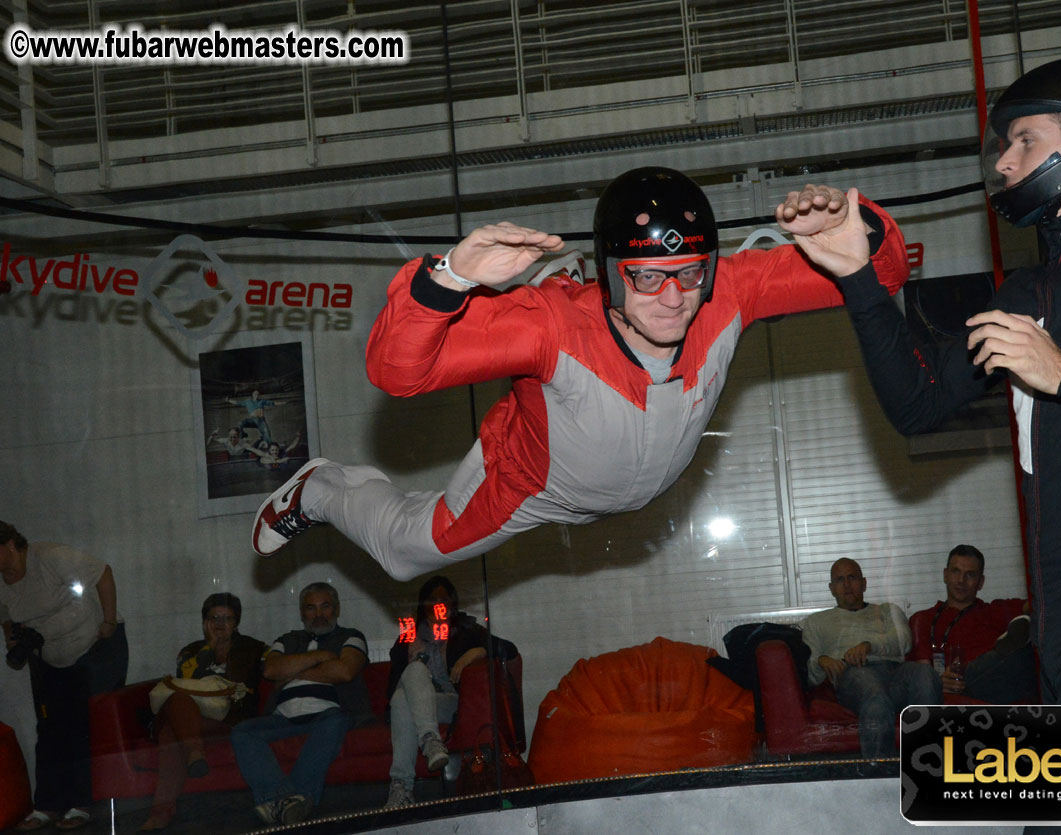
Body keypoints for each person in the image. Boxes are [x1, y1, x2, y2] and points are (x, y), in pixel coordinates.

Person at [778, 57, 1061, 711]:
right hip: (1057, 629)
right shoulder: (1020, 292)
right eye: (1003, 145)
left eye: (1024, 140)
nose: (1005, 163)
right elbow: (917, 403)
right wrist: (856, 277)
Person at [250, 166, 909, 582]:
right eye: (646, 277)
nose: (673, 297)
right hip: (530, 481)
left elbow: (881, 274)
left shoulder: (728, 291)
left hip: (625, 489)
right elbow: (396, 371)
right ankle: (321, 489)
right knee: (401, 555)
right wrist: (450, 276)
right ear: (610, 274)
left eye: (688, 274)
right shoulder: (551, 325)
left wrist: (855, 231)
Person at [0, 517, 128, 831]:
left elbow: (103, 573)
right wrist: (16, 642)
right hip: (50, 656)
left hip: (95, 646)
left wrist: (108, 622)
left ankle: (82, 804)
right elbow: (8, 624)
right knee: (49, 730)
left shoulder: (49, 557)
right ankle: (48, 805)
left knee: (81, 727)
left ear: (10, 543)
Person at [230, 582, 369, 826]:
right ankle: (290, 801)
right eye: (311, 608)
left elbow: (346, 671)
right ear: (302, 613)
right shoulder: (287, 639)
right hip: (283, 718)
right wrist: (321, 658)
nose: (318, 614)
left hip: (327, 714)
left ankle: (280, 802)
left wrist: (293, 671)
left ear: (336, 609)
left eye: (325, 607)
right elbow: (272, 669)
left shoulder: (351, 637)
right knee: (242, 732)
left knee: (336, 719)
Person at [139, 592, 268, 831]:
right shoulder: (191, 651)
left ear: (236, 622)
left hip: (228, 719)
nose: (220, 624)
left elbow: (246, 690)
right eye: (213, 618)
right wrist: (209, 648)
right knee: (178, 702)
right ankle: (194, 753)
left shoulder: (254, 649)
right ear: (204, 622)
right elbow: (185, 681)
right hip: (192, 718)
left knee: (171, 733)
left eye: (226, 618)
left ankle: (161, 813)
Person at [383, 575, 505, 808]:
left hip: (448, 702)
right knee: (404, 691)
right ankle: (430, 744)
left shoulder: (466, 630)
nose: (438, 604)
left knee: (403, 697)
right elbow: (391, 689)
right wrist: (413, 658)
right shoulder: (408, 637)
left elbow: (508, 649)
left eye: (444, 599)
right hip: (411, 700)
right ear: (423, 605)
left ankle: (401, 788)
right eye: (432, 599)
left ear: (452, 604)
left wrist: (476, 651)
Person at [800, 558, 939, 757]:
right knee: (875, 695)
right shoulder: (816, 621)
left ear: (864, 583)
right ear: (831, 588)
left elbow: (903, 641)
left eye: (852, 578)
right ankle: (879, 777)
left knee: (925, 674)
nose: (847, 585)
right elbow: (809, 674)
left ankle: (927, 764)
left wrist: (868, 646)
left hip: (896, 672)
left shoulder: (887, 610)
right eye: (840, 580)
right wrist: (822, 661)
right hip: (854, 674)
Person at [905, 545, 1035, 703]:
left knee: (1023, 656)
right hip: (955, 688)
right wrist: (938, 682)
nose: (961, 580)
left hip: (998, 686)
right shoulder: (924, 620)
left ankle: (1006, 651)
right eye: (955, 571)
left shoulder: (994, 611)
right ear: (945, 575)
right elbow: (921, 674)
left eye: (970, 575)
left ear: (980, 582)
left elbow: (1038, 603)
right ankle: (1004, 651)